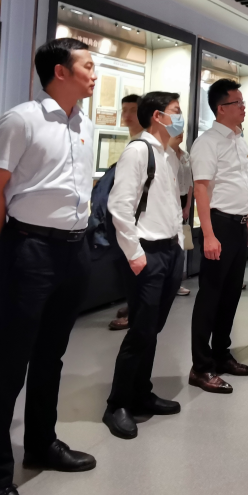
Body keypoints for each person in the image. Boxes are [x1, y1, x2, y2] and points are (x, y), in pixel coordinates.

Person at [0, 38, 98, 495]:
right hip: (30, 249)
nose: (94, 73)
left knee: (52, 356)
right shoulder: (20, 120)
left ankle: (42, 444)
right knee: (10, 364)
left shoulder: (85, 124)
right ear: (60, 72)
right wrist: (17, 244)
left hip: (74, 249)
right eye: (87, 65)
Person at [103, 91, 188, 440]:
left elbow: (174, 200)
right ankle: (117, 404)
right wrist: (136, 253)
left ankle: (141, 392)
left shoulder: (167, 155)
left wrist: (179, 246)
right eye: (175, 112)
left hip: (169, 251)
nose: (180, 118)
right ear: (157, 116)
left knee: (152, 328)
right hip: (146, 252)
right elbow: (120, 206)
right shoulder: (138, 151)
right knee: (140, 330)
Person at [189, 78, 248, 395]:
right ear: (221, 108)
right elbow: (201, 189)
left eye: (243, 102)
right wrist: (208, 234)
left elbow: (240, 183)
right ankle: (201, 367)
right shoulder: (208, 143)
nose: (243, 107)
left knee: (230, 295)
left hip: (238, 225)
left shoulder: (238, 139)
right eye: (237, 103)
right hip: (217, 225)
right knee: (210, 296)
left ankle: (221, 354)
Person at [110, 97, 142, 331]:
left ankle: (135, 312)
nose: (127, 116)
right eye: (124, 110)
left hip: (138, 220)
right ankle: (133, 306)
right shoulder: (134, 142)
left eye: (133, 110)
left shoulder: (141, 146)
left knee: (135, 269)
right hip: (129, 218)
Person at [170, 130, 194, 296]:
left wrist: (188, 206)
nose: (180, 134)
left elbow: (190, 182)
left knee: (180, 242)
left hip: (184, 198)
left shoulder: (185, 156)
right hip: (172, 199)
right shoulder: (166, 155)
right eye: (176, 132)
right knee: (172, 242)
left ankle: (176, 282)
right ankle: (170, 282)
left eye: (181, 132)